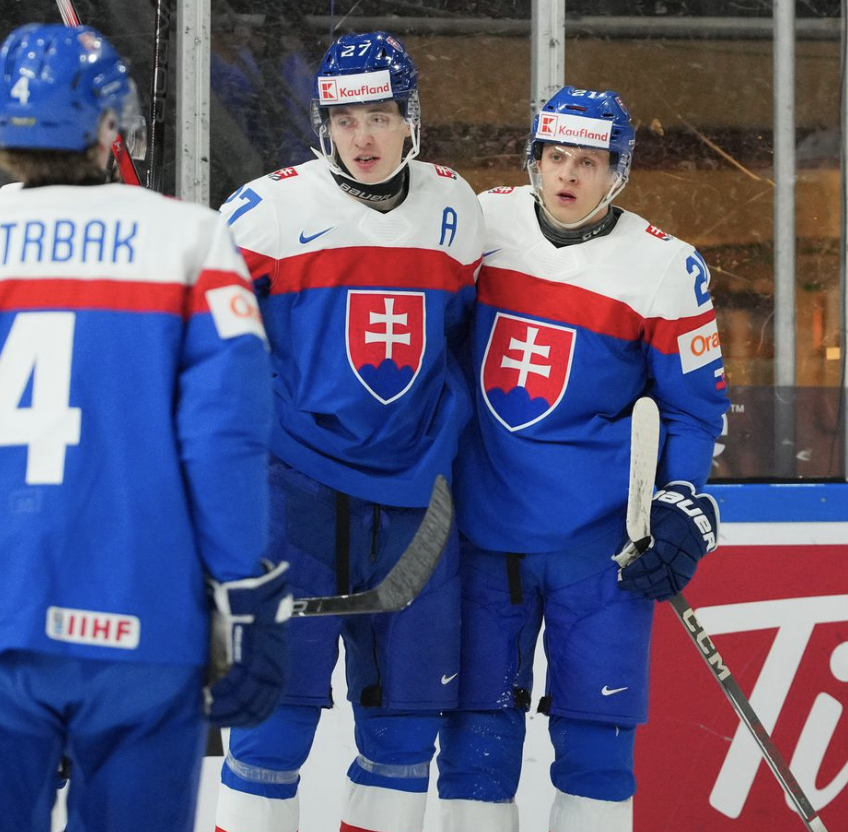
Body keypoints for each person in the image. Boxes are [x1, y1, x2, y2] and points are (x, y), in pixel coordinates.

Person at [0, 24, 290, 832]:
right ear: (111, 124)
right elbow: (224, 440)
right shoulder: (188, 241)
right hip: (141, 625)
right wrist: (245, 592)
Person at [435, 86, 729, 832]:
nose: (569, 176)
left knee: (597, 753)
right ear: (533, 160)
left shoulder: (666, 268)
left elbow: (694, 410)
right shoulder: (482, 224)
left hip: (603, 548)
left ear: (618, 172)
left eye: (589, 162)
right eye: (555, 157)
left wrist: (681, 501)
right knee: (476, 743)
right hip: (481, 535)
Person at [215, 31, 482, 832]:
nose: (362, 136)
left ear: (411, 120)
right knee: (274, 725)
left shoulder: (457, 208)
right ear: (321, 122)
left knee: (404, 732)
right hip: (291, 497)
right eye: (345, 117)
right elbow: (211, 356)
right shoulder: (261, 213)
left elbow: (463, 339)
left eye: (380, 114)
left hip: (413, 505)